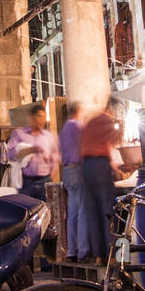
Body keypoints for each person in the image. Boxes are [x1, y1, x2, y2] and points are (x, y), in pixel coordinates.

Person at [81, 95, 123, 265]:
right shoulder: (109, 122)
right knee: (108, 212)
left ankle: (99, 256)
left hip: (86, 167)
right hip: (100, 166)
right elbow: (115, 142)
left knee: (93, 212)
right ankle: (114, 255)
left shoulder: (92, 121)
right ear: (113, 108)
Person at [8, 102, 59, 202]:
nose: (42, 120)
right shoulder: (19, 134)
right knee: (26, 210)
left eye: (44, 117)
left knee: (46, 210)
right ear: (31, 117)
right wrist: (29, 150)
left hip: (45, 180)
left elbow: (55, 158)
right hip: (27, 182)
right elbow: (10, 155)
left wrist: (51, 175)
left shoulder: (49, 136)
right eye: (39, 117)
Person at [58, 101, 90, 261]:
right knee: (83, 211)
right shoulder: (78, 126)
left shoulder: (63, 130)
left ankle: (71, 251)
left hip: (67, 171)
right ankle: (83, 250)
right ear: (78, 111)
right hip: (78, 169)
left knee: (72, 213)